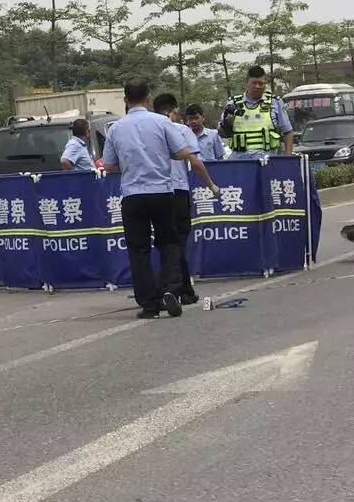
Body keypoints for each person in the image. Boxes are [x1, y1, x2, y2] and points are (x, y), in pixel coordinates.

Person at [103, 80, 219, 319]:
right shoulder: (162, 122)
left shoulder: (115, 128)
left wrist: (130, 164)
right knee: (169, 244)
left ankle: (148, 305)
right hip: (162, 192)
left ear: (125, 101)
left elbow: (109, 165)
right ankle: (170, 290)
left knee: (138, 250)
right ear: (147, 98)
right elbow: (181, 152)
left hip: (132, 196)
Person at [153, 93, 204, 306]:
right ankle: (170, 288)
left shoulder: (150, 130)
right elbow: (195, 160)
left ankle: (184, 291)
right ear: (173, 110)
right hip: (179, 191)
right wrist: (210, 183)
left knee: (168, 242)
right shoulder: (182, 130)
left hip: (157, 192)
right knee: (178, 242)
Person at [221, 65, 294, 158]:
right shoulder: (233, 103)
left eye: (261, 83)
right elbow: (221, 132)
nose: (257, 86)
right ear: (246, 82)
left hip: (268, 161)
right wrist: (227, 123)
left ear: (265, 83)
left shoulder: (275, 102)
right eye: (254, 83)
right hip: (240, 161)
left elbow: (288, 132)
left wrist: (288, 158)